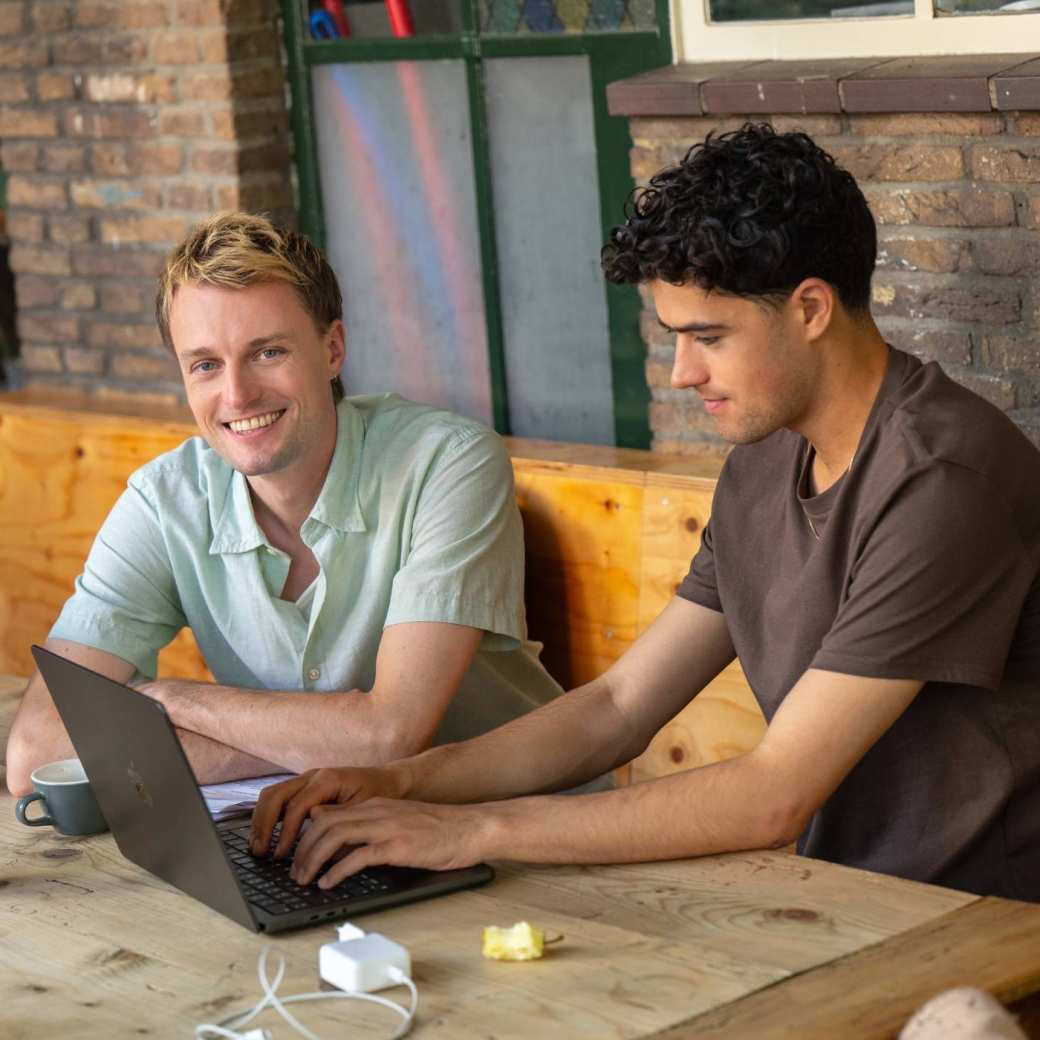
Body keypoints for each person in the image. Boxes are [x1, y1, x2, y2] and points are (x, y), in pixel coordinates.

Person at [248, 124, 1040, 902]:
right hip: (835, 898)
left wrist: (473, 831)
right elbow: (617, 708)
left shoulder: (943, 478)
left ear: (810, 309)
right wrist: (399, 781)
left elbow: (775, 792)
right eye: (673, 338)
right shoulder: (764, 461)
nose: (680, 374)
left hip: (977, 927)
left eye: (709, 337)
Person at [6, 213, 562, 797]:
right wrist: (306, 744)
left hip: (526, 830)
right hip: (343, 835)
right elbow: (38, 752)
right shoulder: (165, 501)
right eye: (205, 365)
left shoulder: (447, 464)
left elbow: (389, 736)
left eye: (268, 352)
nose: (238, 394)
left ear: (332, 348)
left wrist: (168, 701)